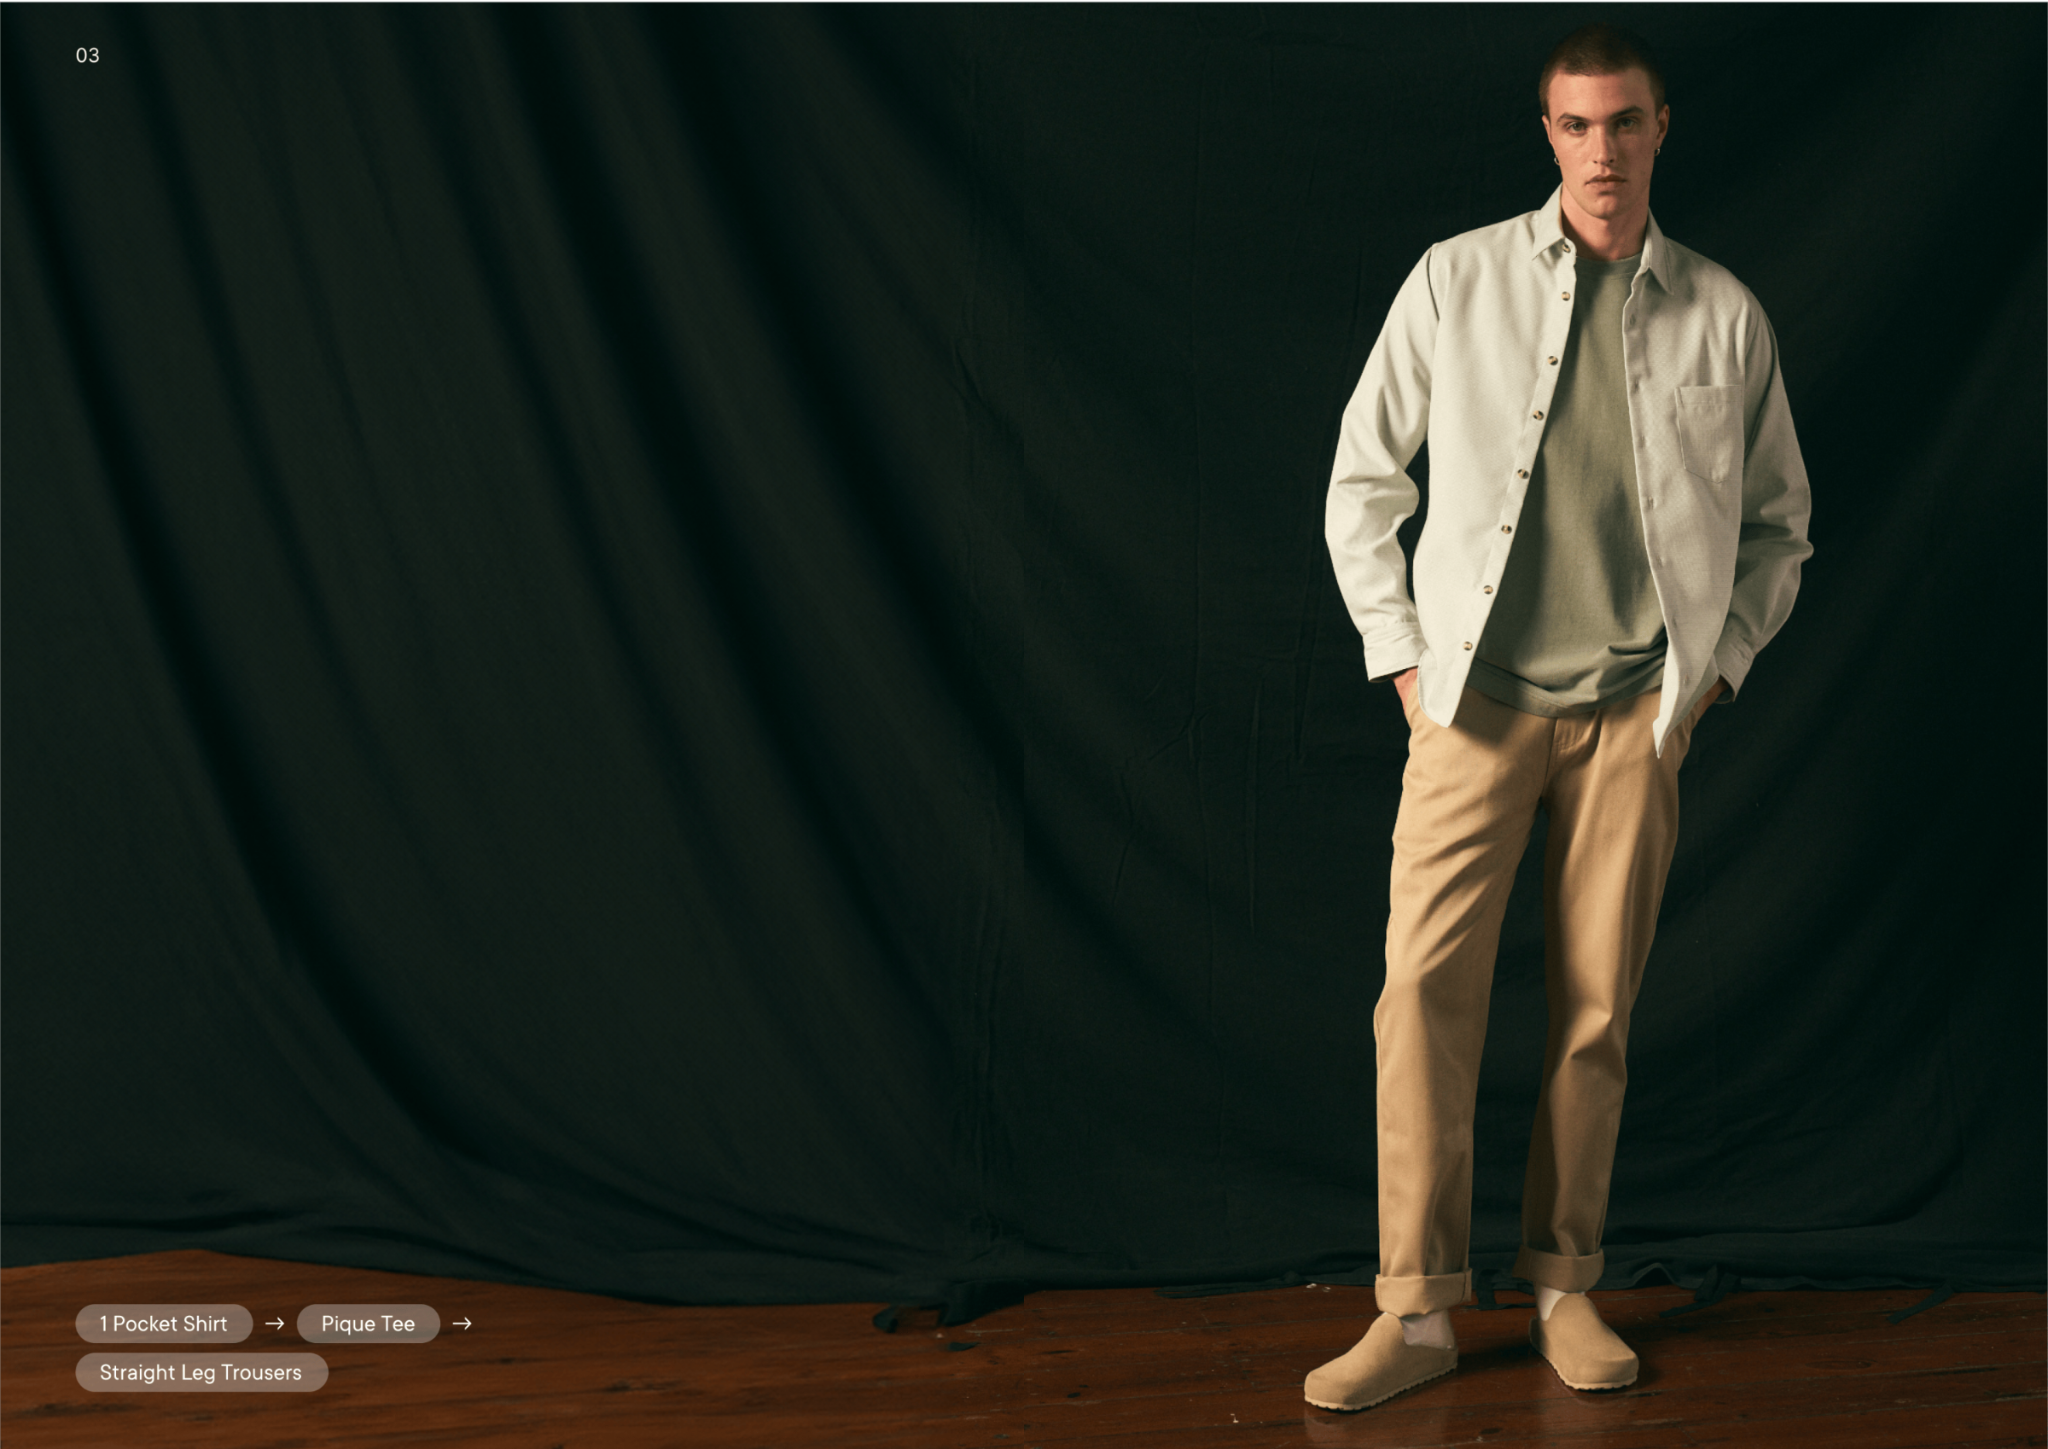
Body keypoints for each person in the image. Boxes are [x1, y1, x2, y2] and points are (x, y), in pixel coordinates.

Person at [1304, 22, 1812, 1411]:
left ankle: (1564, 1285)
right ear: (1549, 137)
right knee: (1422, 999)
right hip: (1469, 710)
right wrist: (1404, 666)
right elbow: (1363, 483)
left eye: (1626, 124)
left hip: (1632, 721)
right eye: (1578, 127)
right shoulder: (1455, 283)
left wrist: (1710, 677)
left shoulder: (1724, 312)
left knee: (1595, 1013)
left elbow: (1782, 529)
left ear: (1662, 130)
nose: (1603, 151)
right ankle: (1412, 1314)